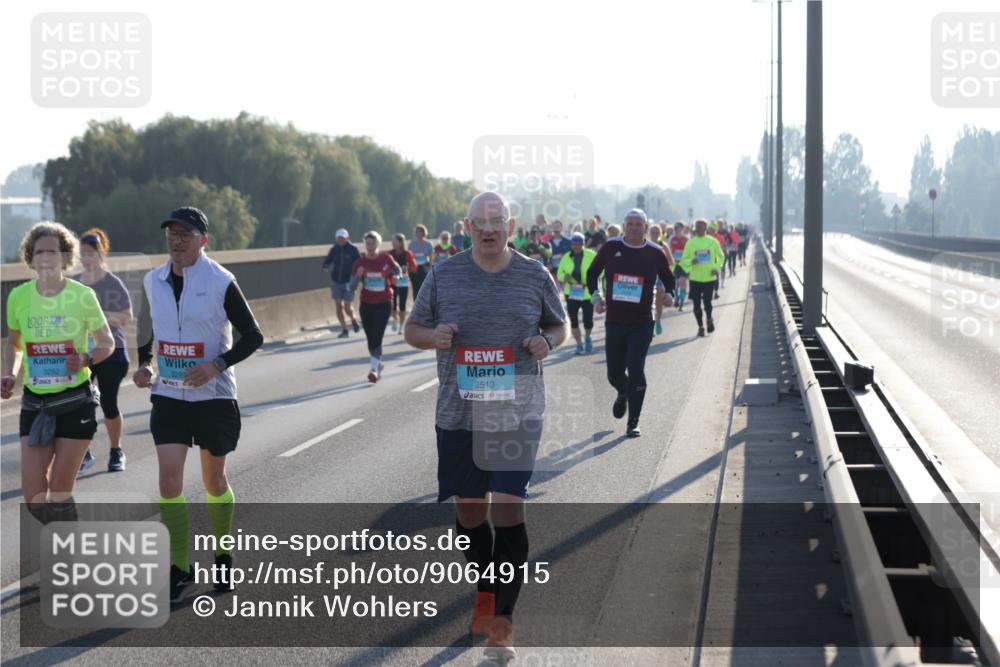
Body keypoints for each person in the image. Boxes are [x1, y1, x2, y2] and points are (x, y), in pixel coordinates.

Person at [405, 191, 567, 661]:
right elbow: (413, 329)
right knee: (471, 514)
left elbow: (560, 327)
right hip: (460, 414)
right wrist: (431, 337)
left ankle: (502, 625)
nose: (489, 229)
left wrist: (547, 342)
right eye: (480, 222)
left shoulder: (534, 274)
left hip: (517, 413)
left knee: (509, 512)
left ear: (511, 226)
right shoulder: (444, 274)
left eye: (497, 221)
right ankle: (486, 589)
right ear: (467, 226)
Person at [134, 206, 263, 602]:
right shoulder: (152, 280)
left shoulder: (221, 281)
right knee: (169, 481)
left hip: (213, 396)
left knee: (214, 481)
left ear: (202, 241)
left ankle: (222, 554)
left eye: (185, 234)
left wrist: (216, 365)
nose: (176, 240)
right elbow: (145, 330)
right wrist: (143, 365)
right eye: (171, 233)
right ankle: (180, 565)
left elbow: (253, 335)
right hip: (170, 395)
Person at [2, 223, 115, 526]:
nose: (46, 257)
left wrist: (86, 358)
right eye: (39, 251)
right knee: (34, 497)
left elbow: (108, 343)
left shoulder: (82, 296)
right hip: (35, 404)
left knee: (59, 490)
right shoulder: (19, 297)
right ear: (31, 257)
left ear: (65, 256)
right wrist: (10, 374)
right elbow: (14, 343)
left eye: (53, 251)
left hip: (75, 402)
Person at [587, 209, 675, 438]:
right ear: (624, 226)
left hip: (642, 321)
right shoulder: (611, 247)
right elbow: (591, 273)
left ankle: (633, 422)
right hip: (615, 320)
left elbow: (669, 278)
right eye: (630, 224)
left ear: (646, 227)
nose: (634, 227)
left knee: (636, 369)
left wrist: (670, 295)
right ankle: (623, 392)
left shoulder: (655, 252)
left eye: (639, 224)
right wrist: (596, 298)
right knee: (614, 374)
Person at [74, 228, 133, 473]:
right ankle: (83, 454)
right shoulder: (75, 284)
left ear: (102, 254)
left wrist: (100, 318)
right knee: (79, 404)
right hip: (82, 352)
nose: (87, 259)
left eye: (91, 254)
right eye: (83, 255)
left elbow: (127, 316)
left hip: (111, 352)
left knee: (108, 403)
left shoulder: (112, 282)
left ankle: (116, 451)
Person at [350, 231, 401, 383]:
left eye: (373, 244)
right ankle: (377, 364)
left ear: (378, 244)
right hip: (366, 304)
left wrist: (397, 277)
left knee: (377, 336)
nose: (370, 246)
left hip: (384, 302)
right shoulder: (360, 262)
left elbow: (397, 269)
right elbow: (352, 287)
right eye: (368, 244)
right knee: (370, 338)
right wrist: (358, 276)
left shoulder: (386, 258)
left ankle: (373, 369)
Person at [679, 219, 727, 337]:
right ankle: (700, 326)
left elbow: (721, 256)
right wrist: (691, 261)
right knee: (696, 305)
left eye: (701, 226)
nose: (699, 228)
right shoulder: (690, 243)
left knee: (707, 302)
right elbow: (683, 260)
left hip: (709, 278)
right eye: (697, 226)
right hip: (695, 279)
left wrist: (716, 268)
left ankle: (709, 318)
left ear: (706, 228)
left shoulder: (713, 242)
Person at [557, 233, 596, 354]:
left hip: (586, 293)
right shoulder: (566, 257)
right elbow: (559, 274)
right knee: (573, 320)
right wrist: (565, 277)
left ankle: (588, 337)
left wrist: (589, 281)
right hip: (572, 292)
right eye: (574, 244)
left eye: (579, 244)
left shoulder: (591, 255)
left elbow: (600, 270)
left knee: (588, 321)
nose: (577, 247)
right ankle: (579, 344)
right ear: (572, 245)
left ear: (583, 244)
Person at [321, 228, 361, 338]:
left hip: (349, 281)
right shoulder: (334, 249)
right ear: (336, 238)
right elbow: (327, 261)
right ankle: (344, 329)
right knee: (338, 305)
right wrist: (325, 267)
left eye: (342, 238)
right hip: (336, 281)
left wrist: (357, 277)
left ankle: (353, 319)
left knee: (348, 307)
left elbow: (359, 263)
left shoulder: (353, 249)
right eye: (339, 238)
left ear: (347, 238)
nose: (341, 240)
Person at [389, 233, 418, 334]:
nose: (392, 242)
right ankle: (395, 320)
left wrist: (408, 268)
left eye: (394, 241)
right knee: (392, 304)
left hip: (404, 282)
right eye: (392, 241)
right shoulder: (390, 253)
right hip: (393, 281)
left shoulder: (407, 254)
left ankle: (401, 326)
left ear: (400, 242)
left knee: (402, 304)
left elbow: (414, 267)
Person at [647, 225, 672, 336]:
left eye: (657, 232)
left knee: (658, 301)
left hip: (660, 276)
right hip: (647, 276)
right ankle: (651, 322)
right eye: (653, 231)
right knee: (648, 301)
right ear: (649, 232)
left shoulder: (663, 245)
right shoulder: (645, 244)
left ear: (660, 233)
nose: (655, 233)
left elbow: (671, 261)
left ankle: (657, 320)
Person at [669, 221, 690, 312]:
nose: (677, 229)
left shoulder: (686, 239)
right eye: (676, 228)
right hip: (675, 264)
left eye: (679, 228)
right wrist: (671, 259)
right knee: (676, 283)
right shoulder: (671, 238)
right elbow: (668, 250)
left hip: (684, 264)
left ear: (682, 228)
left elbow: (690, 251)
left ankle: (681, 304)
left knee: (683, 282)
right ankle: (677, 298)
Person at [410, 224, 434, 299]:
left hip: (425, 267)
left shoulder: (428, 243)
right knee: (415, 287)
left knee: (425, 286)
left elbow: (431, 257)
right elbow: (410, 257)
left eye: (419, 231)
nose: (417, 233)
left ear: (423, 232)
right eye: (416, 231)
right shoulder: (412, 244)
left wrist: (431, 267)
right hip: (415, 268)